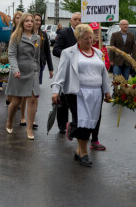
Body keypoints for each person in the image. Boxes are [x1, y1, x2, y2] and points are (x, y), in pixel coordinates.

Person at [52, 24, 111, 167]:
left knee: (91, 123)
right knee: (82, 123)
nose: (90, 41)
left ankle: (78, 150)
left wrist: (107, 90)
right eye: (86, 39)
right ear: (78, 39)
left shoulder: (98, 53)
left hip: (96, 93)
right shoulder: (69, 53)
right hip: (76, 92)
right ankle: (84, 153)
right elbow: (61, 73)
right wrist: (56, 90)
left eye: (91, 38)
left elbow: (103, 73)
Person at [5, 13, 40, 140]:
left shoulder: (37, 38)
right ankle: (9, 121)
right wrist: (15, 69)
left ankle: (29, 128)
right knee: (16, 102)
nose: (30, 23)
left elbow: (37, 57)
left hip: (32, 72)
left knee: (33, 99)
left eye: (32, 21)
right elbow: (12, 54)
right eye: (27, 21)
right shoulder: (15, 36)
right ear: (22, 23)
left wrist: (37, 70)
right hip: (18, 72)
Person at [52, 12, 82, 133]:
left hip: (81, 71)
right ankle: (63, 125)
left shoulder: (85, 33)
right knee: (64, 99)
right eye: (75, 19)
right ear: (71, 21)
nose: (78, 21)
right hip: (67, 70)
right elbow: (56, 50)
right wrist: (70, 55)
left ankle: (77, 124)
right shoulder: (64, 33)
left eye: (80, 19)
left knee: (77, 100)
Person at [87, 22, 110, 151]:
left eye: (98, 32)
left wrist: (102, 64)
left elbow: (107, 66)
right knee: (84, 112)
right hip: (84, 86)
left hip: (99, 85)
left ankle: (94, 139)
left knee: (97, 112)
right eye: (94, 32)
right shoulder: (83, 47)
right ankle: (76, 129)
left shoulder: (102, 49)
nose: (97, 35)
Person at [34, 13, 53, 85]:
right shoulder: (27, 33)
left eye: (40, 20)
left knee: (36, 86)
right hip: (29, 65)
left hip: (40, 63)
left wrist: (50, 69)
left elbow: (47, 52)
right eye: (36, 20)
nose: (38, 22)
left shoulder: (43, 34)